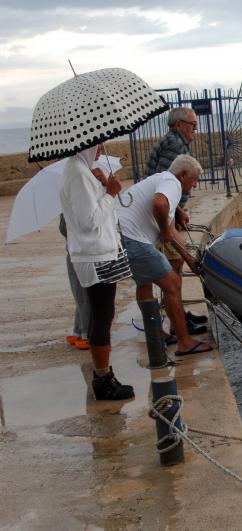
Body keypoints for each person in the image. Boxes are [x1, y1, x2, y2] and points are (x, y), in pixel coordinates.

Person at [117, 154, 213, 356]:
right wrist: (166, 229)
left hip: (118, 237)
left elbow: (171, 234)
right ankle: (185, 342)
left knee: (144, 284)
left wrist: (189, 259)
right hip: (133, 240)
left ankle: (157, 334)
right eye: (194, 179)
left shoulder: (163, 179)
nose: (195, 185)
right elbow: (160, 205)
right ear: (183, 175)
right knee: (172, 284)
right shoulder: (172, 182)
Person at [60, 145, 134, 400]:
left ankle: (104, 375)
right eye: (98, 143)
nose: (102, 147)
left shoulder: (83, 171)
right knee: (100, 316)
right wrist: (110, 194)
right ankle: (103, 379)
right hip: (94, 255)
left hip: (100, 252)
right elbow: (88, 221)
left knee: (103, 314)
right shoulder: (78, 173)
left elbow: (95, 213)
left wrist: (103, 187)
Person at [144, 107, 206, 335]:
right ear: (179, 125)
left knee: (175, 268)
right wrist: (177, 211)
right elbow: (164, 182)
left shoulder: (175, 142)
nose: (195, 130)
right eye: (192, 125)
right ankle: (177, 323)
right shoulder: (175, 145)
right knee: (175, 268)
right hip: (164, 219)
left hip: (169, 215)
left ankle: (179, 316)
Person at [59, 214, 90, 350]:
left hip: (73, 254)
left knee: (80, 297)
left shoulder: (65, 203)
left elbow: (63, 228)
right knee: (86, 298)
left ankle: (79, 331)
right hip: (84, 256)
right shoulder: (80, 202)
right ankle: (87, 335)